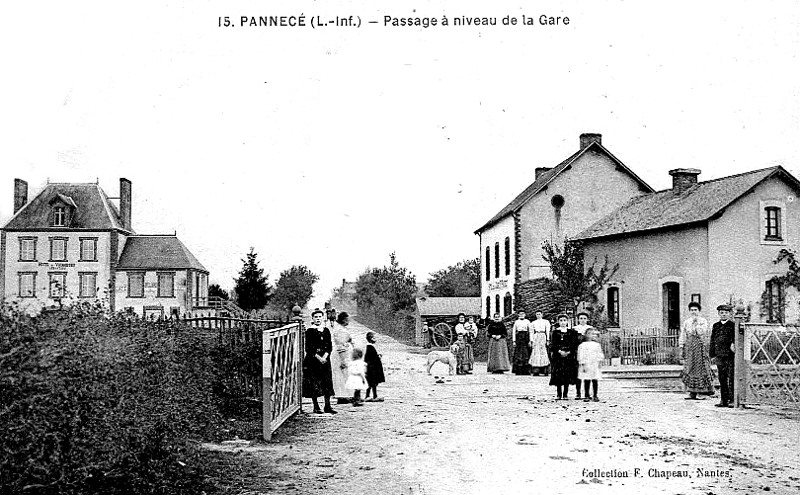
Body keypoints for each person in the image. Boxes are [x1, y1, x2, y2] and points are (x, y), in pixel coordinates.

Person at [302, 309, 337, 414]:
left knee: (327, 382)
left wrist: (325, 356)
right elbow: (309, 348)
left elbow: (329, 345)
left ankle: (328, 406)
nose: (318, 319)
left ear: (323, 318)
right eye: (316, 317)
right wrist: (319, 357)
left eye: (319, 317)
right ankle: (316, 406)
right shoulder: (310, 331)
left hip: (325, 361)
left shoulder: (326, 330)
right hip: (313, 361)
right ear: (312, 319)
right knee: (314, 383)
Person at [679, 302, 715, 400]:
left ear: (699, 311)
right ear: (689, 311)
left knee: (700, 368)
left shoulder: (703, 321)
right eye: (692, 310)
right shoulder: (687, 322)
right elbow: (683, 334)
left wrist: (696, 324)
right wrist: (681, 346)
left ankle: (701, 392)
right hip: (690, 347)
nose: (694, 312)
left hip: (699, 347)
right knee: (690, 368)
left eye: (695, 310)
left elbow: (701, 332)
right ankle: (692, 392)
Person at [549, 314, 580, 400]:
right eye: (561, 320)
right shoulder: (555, 332)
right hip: (558, 357)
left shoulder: (571, 332)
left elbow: (574, 344)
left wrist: (569, 352)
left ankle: (565, 393)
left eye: (564, 320)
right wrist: (559, 351)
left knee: (567, 374)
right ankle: (559, 393)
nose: (563, 322)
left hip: (568, 356)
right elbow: (553, 344)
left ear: (567, 321)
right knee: (558, 374)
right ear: (558, 322)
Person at [710, 304, 735, 407]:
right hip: (719, 355)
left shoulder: (733, 325)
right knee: (722, 377)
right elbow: (712, 340)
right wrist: (712, 354)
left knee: (731, 377)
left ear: (729, 314)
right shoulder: (716, 326)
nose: (724, 314)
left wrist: (733, 343)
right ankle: (723, 400)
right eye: (721, 313)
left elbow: (735, 338)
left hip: (729, 355)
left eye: (726, 312)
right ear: (719, 314)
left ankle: (732, 400)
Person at [330, 311, 354, 404]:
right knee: (341, 376)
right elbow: (341, 346)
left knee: (344, 375)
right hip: (340, 356)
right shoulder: (340, 330)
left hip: (344, 355)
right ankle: (342, 396)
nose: (349, 321)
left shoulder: (342, 328)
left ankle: (345, 395)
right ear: (343, 320)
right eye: (347, 319)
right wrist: (343, 359)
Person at [577, 329, 604, 402]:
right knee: (587, 379)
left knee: (595, 379)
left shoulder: (597, 345)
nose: (590, 335)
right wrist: (582, 364)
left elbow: (599, 354)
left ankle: (595, 395)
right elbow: (580, 355)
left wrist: (599, 362)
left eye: (592, 334)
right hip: (586, 364)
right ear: (585, 334)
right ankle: (586, 395)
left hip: (594, 363)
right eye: (589, 333)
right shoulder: (582, 345)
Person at [364, 331, 386, 402]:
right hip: (372, 368)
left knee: (371, 383)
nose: (376, 339)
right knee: (372, 383)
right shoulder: (370, 347)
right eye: (374, 338)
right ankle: (373, 396)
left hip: (371, 367)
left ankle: (370, 395)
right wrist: (378, 356)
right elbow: (372, 358)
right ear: (371, 339)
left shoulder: (369, 347)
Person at [529, 310, 551, 375]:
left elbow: (548, 331)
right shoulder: (533, 323)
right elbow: (531, 332)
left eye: (539, 314)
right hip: (536, 337)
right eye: (537, 314)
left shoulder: (546, 322)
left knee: (543, 352)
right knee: (536, 352)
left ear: (542, 314)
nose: (538, 315)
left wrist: (547, 339)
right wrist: (531, 340)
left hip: (543, 336)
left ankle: (545, 370)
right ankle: (536, 370)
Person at [512, 310, 533, 375]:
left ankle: (526, 370)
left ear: (525, 315)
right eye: (520, 314)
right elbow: (514, 332)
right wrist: (514, 341)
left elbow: (530, 331)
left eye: (523, 314)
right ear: (518, 315)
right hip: (519, 337)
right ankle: (518, 370)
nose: (521, 315)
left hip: (525, 338)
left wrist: (530, 340)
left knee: (526, 353)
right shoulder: (516, 322)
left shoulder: (527, 322)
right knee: (518, 353)